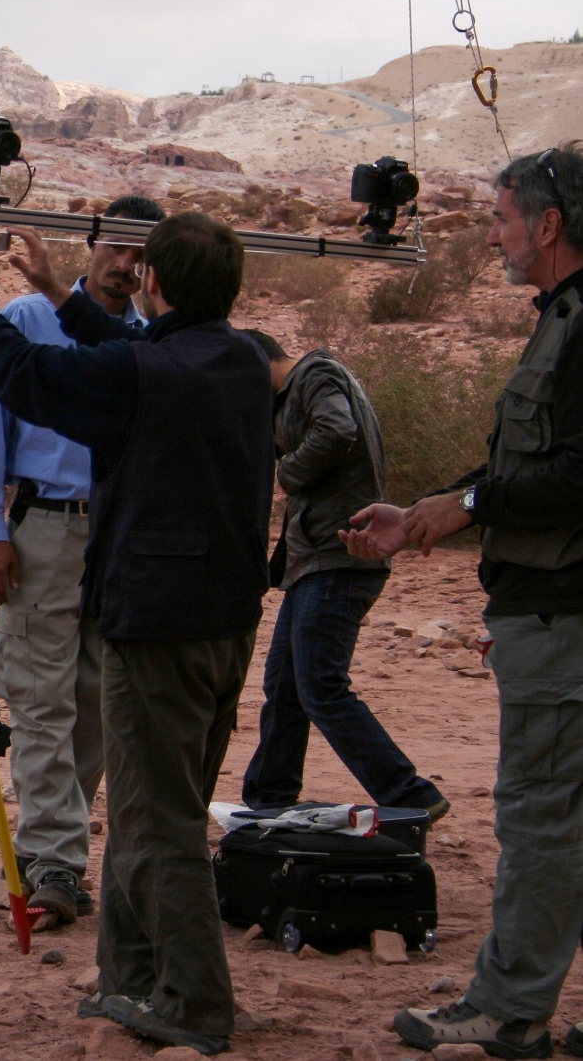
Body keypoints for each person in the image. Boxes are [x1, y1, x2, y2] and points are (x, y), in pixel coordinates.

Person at [0, 214, 273, 1057]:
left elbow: (25, 371)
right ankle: (130, 978)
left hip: (156, 623)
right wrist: (57, 291)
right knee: (139, 804)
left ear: (155, 284)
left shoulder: (144, 371)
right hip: (220, 623)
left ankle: (194, 1000)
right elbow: (126, 355)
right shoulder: (235, 358)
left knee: (155, 818)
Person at [347, 145, 583, 1060]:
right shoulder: (559, 321)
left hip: (561, 620)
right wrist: (425, 515)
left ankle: (510, 1008)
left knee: (538, 819)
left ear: (547, 224)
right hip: (547, 612)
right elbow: (525, 467)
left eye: (498, 217)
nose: (490, 234)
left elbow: (567, 480)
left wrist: (467, 506)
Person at [0, 195, 155, 925]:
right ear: (92, 244)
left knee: (97, 702)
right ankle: (56, 863)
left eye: (140, 256)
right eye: (116, 249)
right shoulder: (30, 319)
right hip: (41, 530)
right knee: (40, 701)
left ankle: (52, 850)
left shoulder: (149, 341)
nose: (124, 267)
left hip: (116, 537)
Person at [237, 331, 447, 819]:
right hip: (317, 560)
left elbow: (336, 431)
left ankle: (409, 794)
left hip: (340, 556)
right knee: (286, 684)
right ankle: (268, 798)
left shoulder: (314, 374)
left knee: (319, 685)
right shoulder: (298, 391)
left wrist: (286, 472)